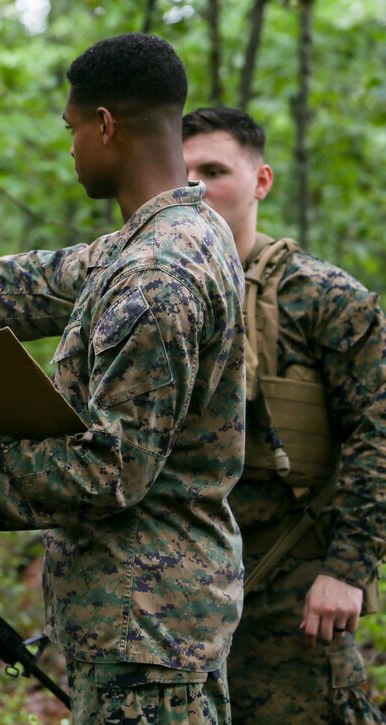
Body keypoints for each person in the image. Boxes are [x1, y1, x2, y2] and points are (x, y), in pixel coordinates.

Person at [0, 34, 246, 722]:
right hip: (156, 618)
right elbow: (50, 278)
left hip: (147, 628)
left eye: (73, 129)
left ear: (106, 125)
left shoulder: (157, 277)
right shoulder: (176, 235)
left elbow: (111, 471)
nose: (71, 148)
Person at [183, 106, 386, 723]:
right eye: (182, 172)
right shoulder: (151, 293)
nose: (196, 187)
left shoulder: (324, 298)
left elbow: (379, 434)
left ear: (261, 181)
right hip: (178, 595)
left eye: (214, 170)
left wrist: (347, 571)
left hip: (289, 593)